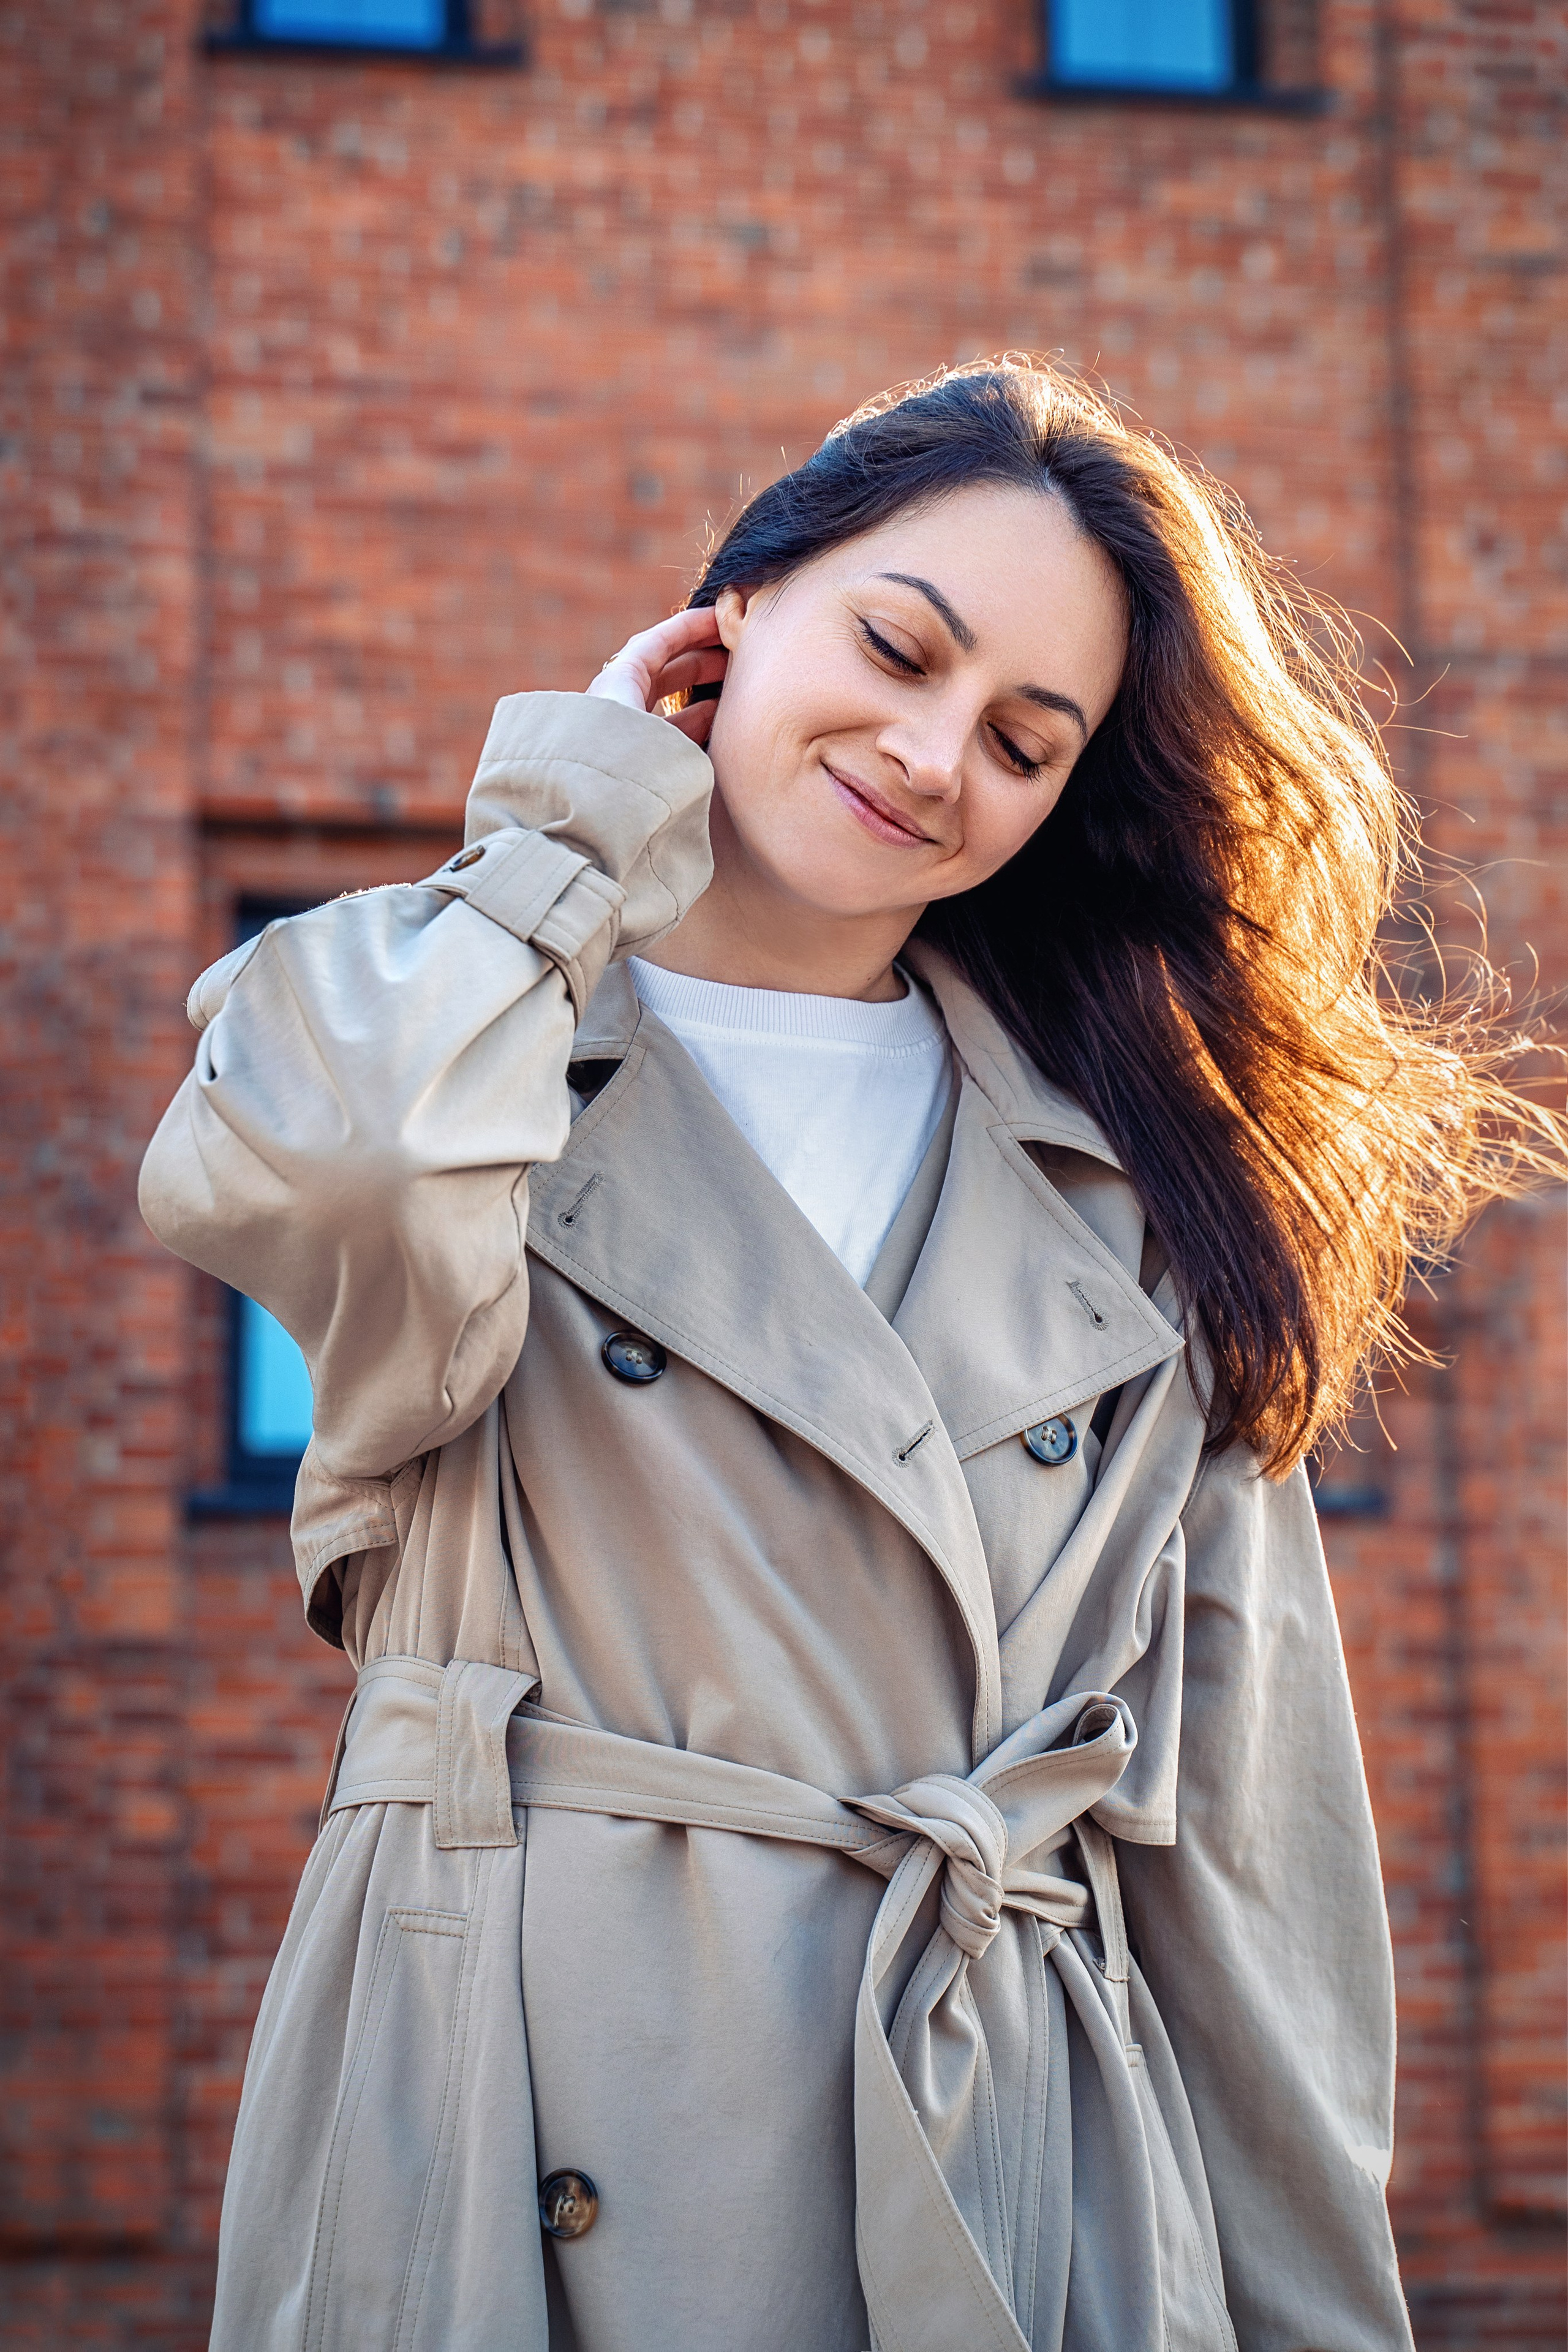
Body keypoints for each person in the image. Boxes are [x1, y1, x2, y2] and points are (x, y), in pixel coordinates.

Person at [140, 361, 1562, 2352]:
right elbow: (316, 1164)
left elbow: (1251, 1863)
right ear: (737, 608)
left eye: (1024, 739)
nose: (928, 752)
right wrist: (572, 828)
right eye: (898, 646)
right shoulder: (467, 1036)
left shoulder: (1145, 1196)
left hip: (1012, 2142)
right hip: (509, 2107)